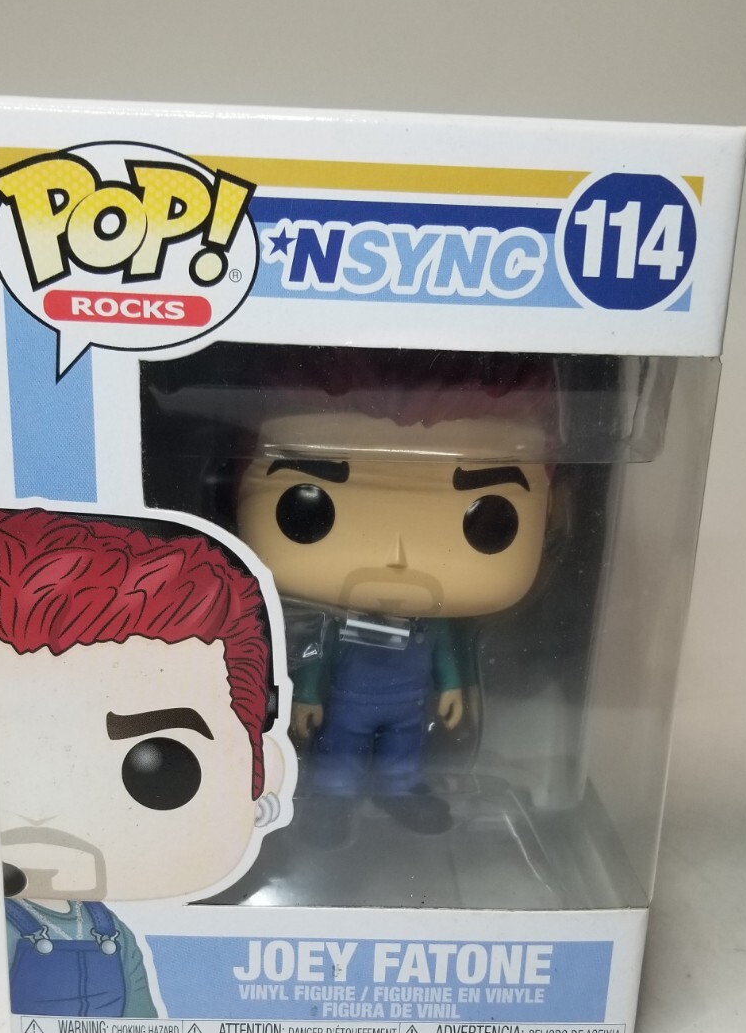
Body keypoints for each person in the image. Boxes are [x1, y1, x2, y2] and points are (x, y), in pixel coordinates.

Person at [0, 506, 290, 1014]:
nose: (44, 814)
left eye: (159, 767)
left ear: (262, 773)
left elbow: (142, 1015)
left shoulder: (110, 932)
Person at [236, 353, 553, 843]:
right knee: (340, 750)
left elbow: (447, 651)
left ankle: (399, 789)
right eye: (308, 508)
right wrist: (309, 695)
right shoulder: (337, 616)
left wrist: (452, 687)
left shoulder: (433, 621)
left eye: (488, 520)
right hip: (348, 702)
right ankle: (333, 798)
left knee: (403, 751)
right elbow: (318, 651)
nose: (397, 557)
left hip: (409, 704)